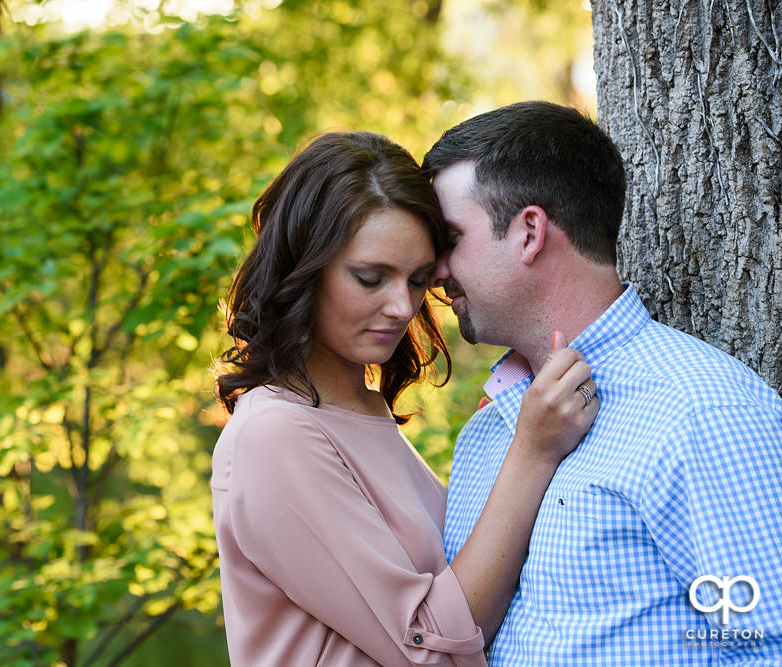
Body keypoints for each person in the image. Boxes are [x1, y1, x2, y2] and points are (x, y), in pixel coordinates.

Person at [211, 131, 599, 666]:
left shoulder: (362, 409)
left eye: (417, 279)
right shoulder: (275, 433)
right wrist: (531, 453)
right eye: (371, 278)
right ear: (301, 269)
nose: (402, 306)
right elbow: (427, 648)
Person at [423, 100, 782, 665]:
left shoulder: (704, 409)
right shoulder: (484, 438)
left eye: (450, 239)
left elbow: (769, 643)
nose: (436, 270)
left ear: (529, 232)